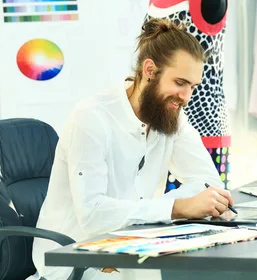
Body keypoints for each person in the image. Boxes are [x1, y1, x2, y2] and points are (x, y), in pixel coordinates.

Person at [28, 18, 234, 280]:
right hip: (74, 260)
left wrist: (186, 204)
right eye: (180, 82)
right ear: (150, 70)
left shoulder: (170, 116)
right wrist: (176, 207)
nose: (186, 97)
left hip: (130, 249)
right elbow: (92, 215)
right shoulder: (91, 118)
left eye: (192, 87)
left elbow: (208, 184)